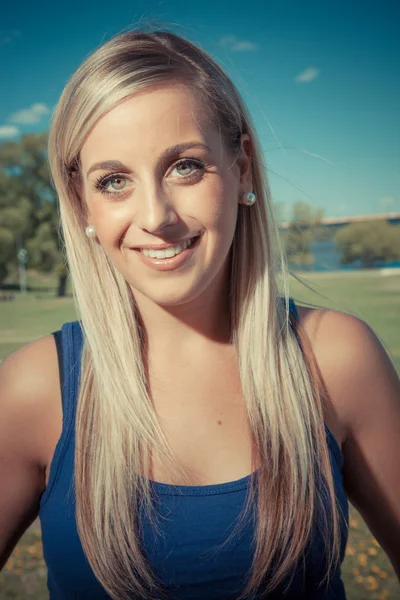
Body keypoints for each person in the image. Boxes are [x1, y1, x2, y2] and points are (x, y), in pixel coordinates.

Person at [0, 29, 399, 600]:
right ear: (82, 202)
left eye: (184, 167)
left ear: (242, 170)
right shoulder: (35, 389)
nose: (155, 215)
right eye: (114, 181)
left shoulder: (335, 359)